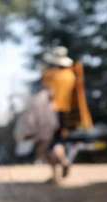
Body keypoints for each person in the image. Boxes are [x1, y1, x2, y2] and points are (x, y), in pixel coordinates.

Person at [41, 46, 77, 181]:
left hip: (51, 111)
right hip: (65, 113)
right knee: (58, 141)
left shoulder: (50, 75)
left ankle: (60, 167)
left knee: (48, 143)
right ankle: (60, 167)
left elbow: (45, 90)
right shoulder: (71, 75)